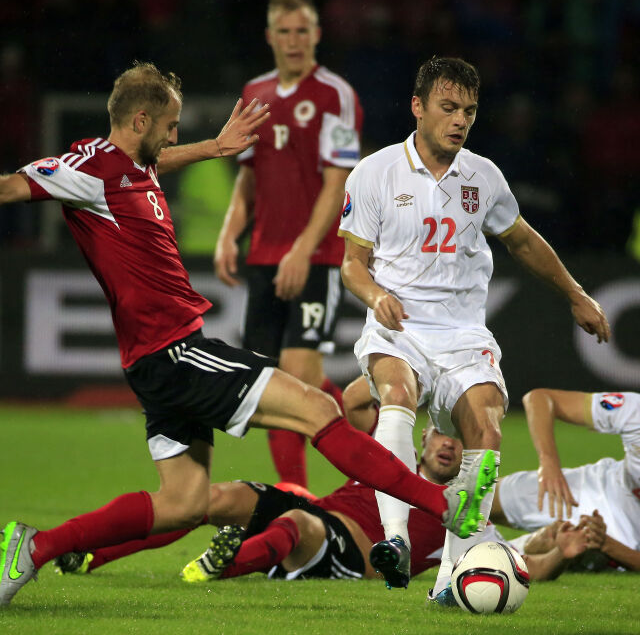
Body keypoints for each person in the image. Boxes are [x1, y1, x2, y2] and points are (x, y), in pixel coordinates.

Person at [0, 61, 479, 608]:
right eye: (170, 126)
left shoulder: (131, 165)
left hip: (156, 359)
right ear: (139, 120)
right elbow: (13, 187)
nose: (174, 136)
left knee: (184, 501)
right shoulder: (88, 168)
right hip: (176, 351)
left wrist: (213, 147)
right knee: (316, 410)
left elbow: (145, 164)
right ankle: (443, 505)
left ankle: (33, 548)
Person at [338, 55, 611, 590]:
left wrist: (576, 294)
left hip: (463, 333)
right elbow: (352, 263)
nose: (459, 120)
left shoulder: (483, 177)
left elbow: (523, 240)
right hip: (401, 326)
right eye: (448, 108)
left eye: (469, 110)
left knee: (486, 431)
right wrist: (375, 296)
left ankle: (452, 574)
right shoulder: (374, 172)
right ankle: (394, 538)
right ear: (418, 108)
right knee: (394, 394)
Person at [53, 422, 598, 584]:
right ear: (425, 438)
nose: (450, 444)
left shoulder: (463, 512)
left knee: (294, 523)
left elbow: (512, 564)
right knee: (211, 498)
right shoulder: (386, 458)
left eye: (460, 442)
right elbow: (359, 403)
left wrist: (558, 549)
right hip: (317, 509)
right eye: (443, 434)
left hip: (344, 549)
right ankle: (94, 555)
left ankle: (221, 567)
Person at [214, 0, 363, 489]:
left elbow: (337, 181)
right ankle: (302, 490)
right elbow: (248, 176)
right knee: (270, 387)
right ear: (270, 37)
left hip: (316, 258)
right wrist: (229, 232)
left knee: (296, 377)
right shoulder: (254, 93)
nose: (295, 41)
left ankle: (365, 462)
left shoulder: (335, 94)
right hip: (264, 258)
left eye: (303, 31)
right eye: (286, 32)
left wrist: (302, 250)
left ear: (317, 35)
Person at [491, 387, 640, 572]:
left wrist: (608, 545)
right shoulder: (635, 410)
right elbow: (539, 398)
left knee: (554, 549)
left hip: (627, 536)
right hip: (597, 486)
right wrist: (549, 464)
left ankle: (521, 548)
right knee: (470, 499)